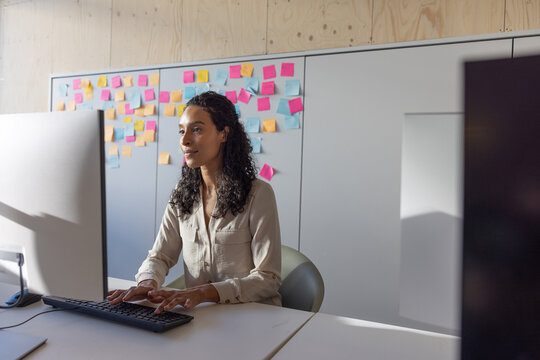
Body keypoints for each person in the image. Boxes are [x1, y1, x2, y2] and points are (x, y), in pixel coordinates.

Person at [107, 91, 282, 314]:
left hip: (254, 317)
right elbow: (160, 256)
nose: (185, 140)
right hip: (203, 318)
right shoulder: (182, 195)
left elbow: (268, 278)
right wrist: (147, 284)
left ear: (223, 134)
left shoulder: (258, 194)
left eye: (196, 129)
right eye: (181, 131)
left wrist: (203, 293)